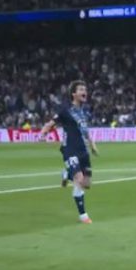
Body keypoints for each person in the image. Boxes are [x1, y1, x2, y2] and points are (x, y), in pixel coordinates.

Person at [40, 80, 99, 224]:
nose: (84, 92)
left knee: (87, 184)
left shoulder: (84, 110)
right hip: (70, 149)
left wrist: (93, 145)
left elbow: (85, 130)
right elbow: (51, 123)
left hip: (83, 149)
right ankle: (83, 216)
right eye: (81, 89)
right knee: (78, 179)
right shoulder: (65, 110)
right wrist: (44, 132)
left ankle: (66, 173)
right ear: (74, 93)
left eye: (85, 89)